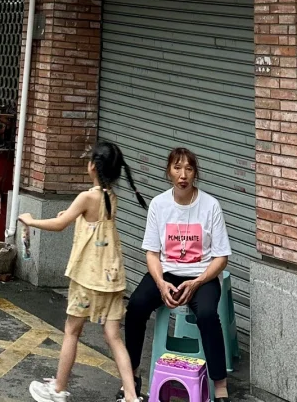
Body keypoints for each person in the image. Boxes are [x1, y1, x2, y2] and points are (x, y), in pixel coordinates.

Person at [20, 141, 147, 402]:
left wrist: (31, 220)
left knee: (72, 331)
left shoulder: (87, 197)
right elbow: (91, 221)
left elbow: (60, 224)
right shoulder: (110, 197)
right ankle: (131, 396)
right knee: (114, 337)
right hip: (112, 278)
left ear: (92, 167)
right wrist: (72, 214)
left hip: (88, 278)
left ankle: (58, 389)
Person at [124, 146, 232, 401]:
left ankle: (220, 385)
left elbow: (221, 258)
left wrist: (197, 282)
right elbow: (152, 253)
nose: (183, 175)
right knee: (136, 306)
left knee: (207, 315)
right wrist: (161, 283)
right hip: (167, 273)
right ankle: (132, 376)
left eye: (189, 169)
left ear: (195, 173)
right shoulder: (159, 205)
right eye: (177, 168)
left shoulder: (210, 206)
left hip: (202, 276)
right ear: (169, 172)